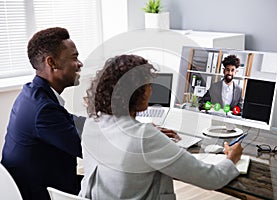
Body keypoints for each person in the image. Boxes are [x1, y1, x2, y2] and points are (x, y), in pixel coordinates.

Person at [79, 54, 243, 199]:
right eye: (148, 85)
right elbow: (211, 178)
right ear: (136, 91)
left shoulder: (93, 123)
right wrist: (231, 159)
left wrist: (145, 132)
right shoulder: (144, 137)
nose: (151, 90)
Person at [1, 27, 84, 200]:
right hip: (40, 194)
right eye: (74, 58)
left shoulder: (32, 93)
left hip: (33, 184)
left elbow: (72, 121)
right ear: (52, 63)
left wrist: (110, 123)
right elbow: (89, 149)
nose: (80, 64)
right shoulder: (43, 109)